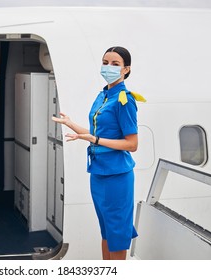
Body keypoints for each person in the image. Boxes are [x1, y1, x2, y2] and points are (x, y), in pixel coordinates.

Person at [52, 46, 145, 260]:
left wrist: (94, 140)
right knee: (106, 231)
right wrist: (70, 124)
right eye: (105, 62)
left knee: (117, 234)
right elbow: (95, 133)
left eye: (115, 64)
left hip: (117, 176)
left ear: (126, 69)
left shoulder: (125, 100)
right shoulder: (103, 96)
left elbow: (132, 144)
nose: (108, 67)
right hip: (98, 174)